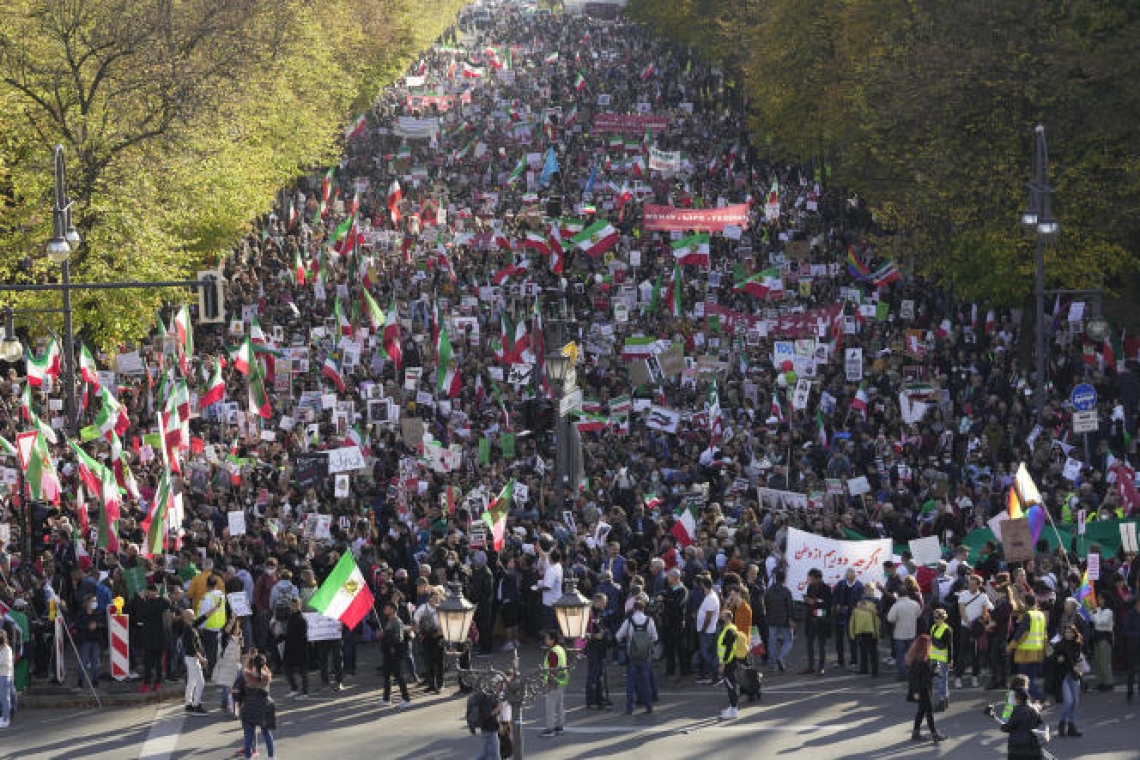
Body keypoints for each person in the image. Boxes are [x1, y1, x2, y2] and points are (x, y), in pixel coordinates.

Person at [616, 598, 657, 715]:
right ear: (644, 609)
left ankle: (630, 708)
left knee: (631, 682)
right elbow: (655, 637)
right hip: (645, 656)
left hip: (632, 655)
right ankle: (648, 707)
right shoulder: (649, 620)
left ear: (634, 609)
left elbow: (618, 635)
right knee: (646, 681)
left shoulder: (629, 620)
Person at [905, 634, 946, 742]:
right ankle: (934, 734)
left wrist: (936, 671)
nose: (931, 645)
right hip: (922, 689)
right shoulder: (918, 660)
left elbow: (927, 673)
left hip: (926, 687)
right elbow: (914, 678)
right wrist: (916, 692)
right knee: (929, 711)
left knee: (922, 711)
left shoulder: (925, 657)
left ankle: (916, 733)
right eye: (929, 643)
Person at [1008, 592, 1046, 700]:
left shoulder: (1028, 616)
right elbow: (1044, 634)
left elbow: (1021, 634)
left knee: (1024, 680)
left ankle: (1041, 699)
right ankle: (1031, 700)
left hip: (1026, 653)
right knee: (1031, 679)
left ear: (1025, 603)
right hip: (1037, 652)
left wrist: (1010, 647)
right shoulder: (1040, 614)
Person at [239, 651, 276, 760]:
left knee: (249, 736)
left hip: (249, 707)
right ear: (264, 664)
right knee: (267, 734)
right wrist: (263, 665)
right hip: (264, 707)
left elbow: (244, 668)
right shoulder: (267, 676)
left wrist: (249, 659)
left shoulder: (248, 675)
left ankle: (248, 757)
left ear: (253, 664)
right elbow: (267, 671)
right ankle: (271, 757)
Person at [1051, 623, 1084, 737]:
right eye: (1066, 632)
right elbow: (1050, 658)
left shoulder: (1078, 644)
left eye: (1070, 632)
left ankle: (1072, 726)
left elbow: (1078, 659)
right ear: (1063, 634)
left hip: (1074, 674)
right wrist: (1057, 659)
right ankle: (1062, 723)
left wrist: (1078, 664)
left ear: (1075, 633)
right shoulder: (1059, 644)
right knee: (1068, 701)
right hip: (1062, 675)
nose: (1068, 634)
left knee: (1075, 701)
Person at [378, 599, 412, 709]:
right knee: (387, 675)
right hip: (388, 653)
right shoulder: (390, 620)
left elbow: (399, 638)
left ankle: (406, 699)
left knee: (399, 676)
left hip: (394, 653)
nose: (384, 610)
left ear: (392, 610)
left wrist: (385, 635)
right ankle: (386, 699)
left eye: (387, 608)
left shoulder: (396, 621)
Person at [997, 686, 1044, 759]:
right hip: (1034, 748)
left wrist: (1002, 725)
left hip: (1017, 750)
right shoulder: (1034, 709)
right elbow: (1040, 725)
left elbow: (1007, 727)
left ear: (1017, 699)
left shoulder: (1016, 711)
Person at [413, 588, 445, 694]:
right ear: (429, 599)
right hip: (426, 637)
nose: (435, 600)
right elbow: (415, 620)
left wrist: (440, 633)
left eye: (437, 598)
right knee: (428, 661)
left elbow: (446, 623)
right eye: (433, 598)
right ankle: (431, 685)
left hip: (439, 637)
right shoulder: (423, 608)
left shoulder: (442, 609)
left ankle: (440, 685)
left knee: (439, 661)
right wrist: (419, 633)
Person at [802, 568, 833, 675]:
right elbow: (809, 602)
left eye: (810, 577)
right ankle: (810, 667)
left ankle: (821, 668)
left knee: (821, 645)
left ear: (816, 578)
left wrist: (814, 602)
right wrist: (807, 601)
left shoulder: (826, 588)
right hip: (810, 619)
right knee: (809, 644)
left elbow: (828, 604)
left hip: (821, 620)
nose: (808, 579)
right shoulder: (810, 587)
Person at [196, 575, 227, 680]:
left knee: (209, 652)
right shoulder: (221, 595)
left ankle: (210, 672)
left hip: (209, 628)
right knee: (218, 651)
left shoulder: (207, 597)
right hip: (220, 627)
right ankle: (217, 671)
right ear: (216, 584)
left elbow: (203, 614)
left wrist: (199, 627)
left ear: (207, 585)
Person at [887, 588, 922, 681]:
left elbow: (890, 618)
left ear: (898, 594)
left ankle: (902, 675)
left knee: (900, 656)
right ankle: (913, 673)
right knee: (912, 655)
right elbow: (918, 614)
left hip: (899, 634)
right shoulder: (915, 604)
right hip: (911, 633)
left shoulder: (896, 605)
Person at [584, 593, 612, 709]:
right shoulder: (588, 613)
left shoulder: (600, 612)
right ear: (598, 601)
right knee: (593, 673)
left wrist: (604, 633)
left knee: (600, 673)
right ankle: (591, 700)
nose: (606, 604)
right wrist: (595, 636)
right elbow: (582, 632)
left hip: (600, 647)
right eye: (604, 602)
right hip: (592, 647)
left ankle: (599, 697)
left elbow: (603, 627)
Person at [833, 568, 863, 670]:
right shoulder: (841, 583)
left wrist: (850, 607)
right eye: (847, 577)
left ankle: (853, 661)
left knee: (852, 639)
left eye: (850, 577)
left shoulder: (859, 586)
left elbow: (860, 600)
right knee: (839, 639)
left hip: (852, 616)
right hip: (840, 615)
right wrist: (837, 604)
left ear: (854, 576)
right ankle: (840, 660)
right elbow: (835, 595)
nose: (848, 579)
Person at [764, 569, 794, 672]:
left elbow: (766, 605)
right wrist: (791, 619)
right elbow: (790, 607)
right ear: (784, 579)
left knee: (771, 642)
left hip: (771, 619)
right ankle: (781, 657)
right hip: (784, 620)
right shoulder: (786, 591)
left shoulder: (769, 590)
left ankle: (771, 665)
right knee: (788, 641)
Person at [540, 630, 568, 738]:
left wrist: (548, 683)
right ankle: (560, 726)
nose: (545, 640)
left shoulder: (552, 652)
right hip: (562, 680)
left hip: (553, 681)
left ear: (552, 640)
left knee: (550, 705)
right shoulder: (560, 649)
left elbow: (552, 669)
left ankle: (550, 728)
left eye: (547, 638)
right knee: (560, 704)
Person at [716, 608, 743, 720]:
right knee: (730, 685)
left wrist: (723, 664)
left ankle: (734, 709)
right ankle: (732, 708)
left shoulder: (729, 630)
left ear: (727, 618)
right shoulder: (728, 628)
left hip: (729, 663)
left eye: (722, 616)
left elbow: (728, 649)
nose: (720, 617)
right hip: (729, 662)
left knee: (731, 686)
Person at [213, 619, 244, 717]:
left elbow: (239, 654)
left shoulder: (238, 638)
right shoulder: (223, 637)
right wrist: (233, 619)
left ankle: (232, 708)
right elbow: (226, 632)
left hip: (236, 666)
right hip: (226, 667)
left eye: (239, 627)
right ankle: (226, 705)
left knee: (233, 688)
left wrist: (241, 642)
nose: (239, 629)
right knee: (228, 688)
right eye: (237, 627)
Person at [182, 608, 208, 715]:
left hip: (191, 659)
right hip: (193, 659)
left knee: (191, 682)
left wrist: (215, 608)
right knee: (201, 682)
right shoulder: (189, 630)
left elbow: (202, 618)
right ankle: (196, 705)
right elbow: (192, 648)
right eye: (193, 614)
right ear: (188, 617)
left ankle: (188, 704)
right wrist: (201, 659)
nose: (195, 615)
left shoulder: (190, 626)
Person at [282, 597, 309, 699]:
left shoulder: (302, 618)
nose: (294, 607)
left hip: (300, 649)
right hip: (290, 648)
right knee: (287, 669)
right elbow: (288, 633)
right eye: (292, 605)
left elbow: (303, 636)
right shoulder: (290, 617)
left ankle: (305, 693)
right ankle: (294, 689)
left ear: (300, 605)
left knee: (303, 671)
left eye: (296, 605)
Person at [848, 593, 881, 677]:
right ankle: (872, 671)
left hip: (863, 632)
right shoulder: (869, 607)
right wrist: (877, 633)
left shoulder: (857, 609)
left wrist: (852, 633)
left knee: (866, 651)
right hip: (868, 632)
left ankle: (867, 670)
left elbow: (852, 622)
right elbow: (877, 619)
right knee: (870, 652)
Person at [929, 608, 953, 710]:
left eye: (938, 618)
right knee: (941, 681)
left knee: (941, 681)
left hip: (942, 660)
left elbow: (950, 646)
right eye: (934, 618)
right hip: (934, 658)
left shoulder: (946, 629)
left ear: (943, 618)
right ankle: (944, 701)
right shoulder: (933, 627)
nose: (935, 620)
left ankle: (942, 702)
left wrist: (950, 660)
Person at [1090, 592, 1115, 691]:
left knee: (1105, 661)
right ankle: (1101, 681)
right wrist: (1093, 611)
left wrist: (1094, 611)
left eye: (1100, 599)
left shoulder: (1109, 611)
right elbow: (1092, 619)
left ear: (1105, 600)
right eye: (1098, 599)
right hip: (1097, 636)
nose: (1098, 601)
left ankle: (1109, 682)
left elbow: (1101, 622)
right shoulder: (1099, 609)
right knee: (1097, 661)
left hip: (1105, 637)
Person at [1125, 595, 1140, 701]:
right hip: (1132, 645)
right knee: (1132, 670)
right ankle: (1130, 691)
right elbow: (1126, 631)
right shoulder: (1130, 615)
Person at [0, 630, 12, 728]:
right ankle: (4, 716)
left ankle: (6, 718)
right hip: (2, 675)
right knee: (2, 698)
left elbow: (4, 662)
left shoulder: (7, 649)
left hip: (4, 676)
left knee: (5, 698)